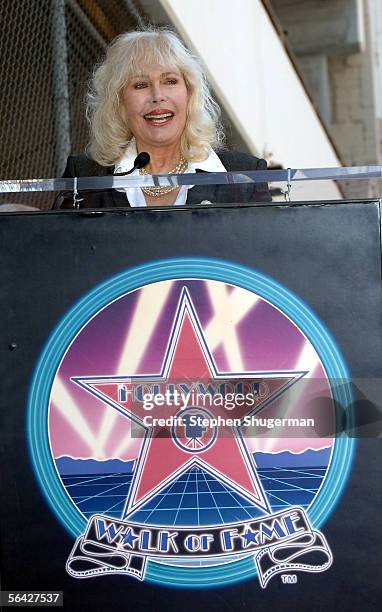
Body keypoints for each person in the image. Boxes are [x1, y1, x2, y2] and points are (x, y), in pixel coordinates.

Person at [58, 29, 270, 209]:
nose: (157, 96)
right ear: (119, 103)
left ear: (189, 94)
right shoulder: (85, 176)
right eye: (140, 85)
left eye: (170, 81)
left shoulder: (244, 177)